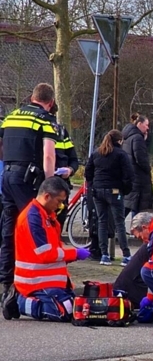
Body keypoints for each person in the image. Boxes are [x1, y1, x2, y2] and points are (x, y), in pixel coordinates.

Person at [0, 84, 61, 315]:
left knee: (8, 231)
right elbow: (48, 154)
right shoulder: (45, 119)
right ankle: (20, 290)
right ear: (51, 101)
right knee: (31, 229)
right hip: (27, 179)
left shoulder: (11, 116)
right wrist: (49, 183)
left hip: (7, 176)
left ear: (31, 97)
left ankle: (5, 284)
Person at [7, 176, 90, 321]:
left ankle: (23, 299)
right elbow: (46, 254)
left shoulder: (45, 215)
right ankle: (19, 302)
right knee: (65, 311)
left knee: (78, 309)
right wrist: (74, 253)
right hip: (34, 282)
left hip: (48, 281)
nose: (60, 206)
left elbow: (52, 250)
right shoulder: (33, 218)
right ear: (47, 196)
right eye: (59, 201)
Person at [85, 130, 135, 267]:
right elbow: (128, 174)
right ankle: (126, 255)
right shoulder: (121, 155)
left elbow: (88, 172)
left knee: (102, 222)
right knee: (119, 223)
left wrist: (93, 186)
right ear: (119, 141)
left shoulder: (96, 153)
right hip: (114, 191)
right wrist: (125, 190)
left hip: (98, 190)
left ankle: (104, 255)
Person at [121, 113, 153, 218]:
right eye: (146, 125)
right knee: (138, 207)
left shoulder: (127, 136)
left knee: (129, 204)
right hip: (139, 179)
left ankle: (115, 227)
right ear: (139, 124)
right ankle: (135, 230)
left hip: (130, 175)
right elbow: (140, 157)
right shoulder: (137, 138)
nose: (148, 128)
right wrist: (148, 169)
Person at [52, 116, 79, 228]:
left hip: (61, 184)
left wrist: (70, 170)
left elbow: (73, 159)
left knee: (60, 220)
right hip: (41, 185)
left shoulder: (61, 132)